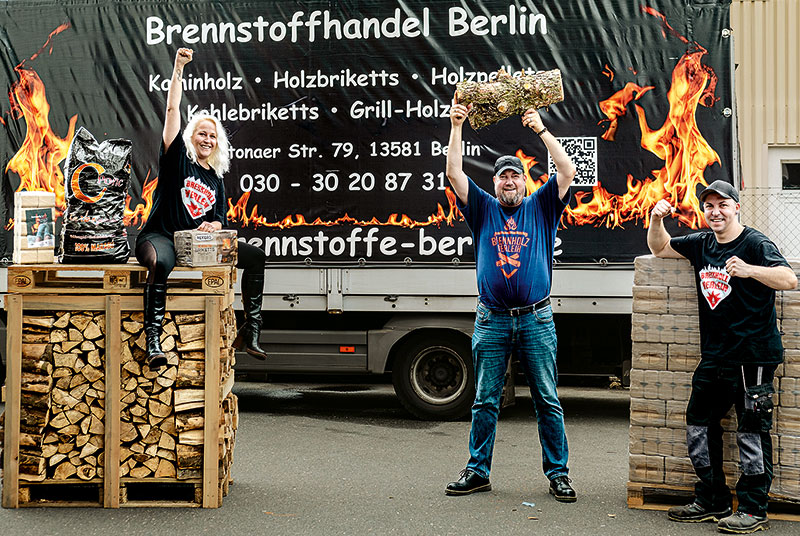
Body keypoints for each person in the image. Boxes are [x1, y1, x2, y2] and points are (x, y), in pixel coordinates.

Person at [444, 94, 578, 502]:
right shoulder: (482, 208)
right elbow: (453, 172)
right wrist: (455, 126)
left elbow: (568, 170)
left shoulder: (541, 207)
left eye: (515, 176)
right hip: (493, 319)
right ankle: (477, 470)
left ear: (525, 181)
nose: (508, 182)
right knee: (485, 400)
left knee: (547, 400)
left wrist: (540, 129)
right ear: (495, 183)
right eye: (502, 177)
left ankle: (558, 474)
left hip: (536, 319)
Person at [647, 180, 797, 534]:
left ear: (736, 207)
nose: (715, 211)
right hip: (715, 354)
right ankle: (711, 498)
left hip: (753, 356)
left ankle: (752, 508)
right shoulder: (702, 243)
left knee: (751, 431)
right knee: (698, 422)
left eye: (722, 205)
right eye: (709, 206)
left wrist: (750, 270)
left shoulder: (756, 243)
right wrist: (656, 220)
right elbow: (661, 249)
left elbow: (789, 279)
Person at [136, 48, 269, 370]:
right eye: (201, 133)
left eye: (212, 135)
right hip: (161, 237)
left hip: (195, 247)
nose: (207, 139)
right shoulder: (177, 159)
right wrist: (179, 68)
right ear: (190, 137)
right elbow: (171, 109)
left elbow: (219, 219)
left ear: (218, 143)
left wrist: (213, 227)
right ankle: (152, 338)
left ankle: (251, 330)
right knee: (161, 263)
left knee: (256, 257)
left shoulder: (215, 179)